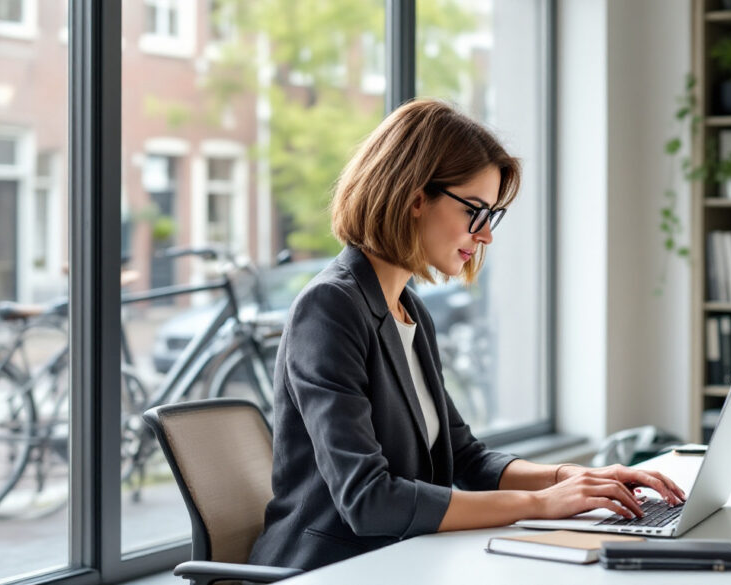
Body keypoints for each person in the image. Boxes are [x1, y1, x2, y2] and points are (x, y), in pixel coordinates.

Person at [248, 99, 686, 571]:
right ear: (416, 197)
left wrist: (575, 478)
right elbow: (368, 499)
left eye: (491, 215)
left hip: (402, 560)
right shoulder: (330, 308)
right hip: (326, 568)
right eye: (476, 210)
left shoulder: (409, 309)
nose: (486, 236)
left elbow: (464, 458)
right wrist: (542, 504)